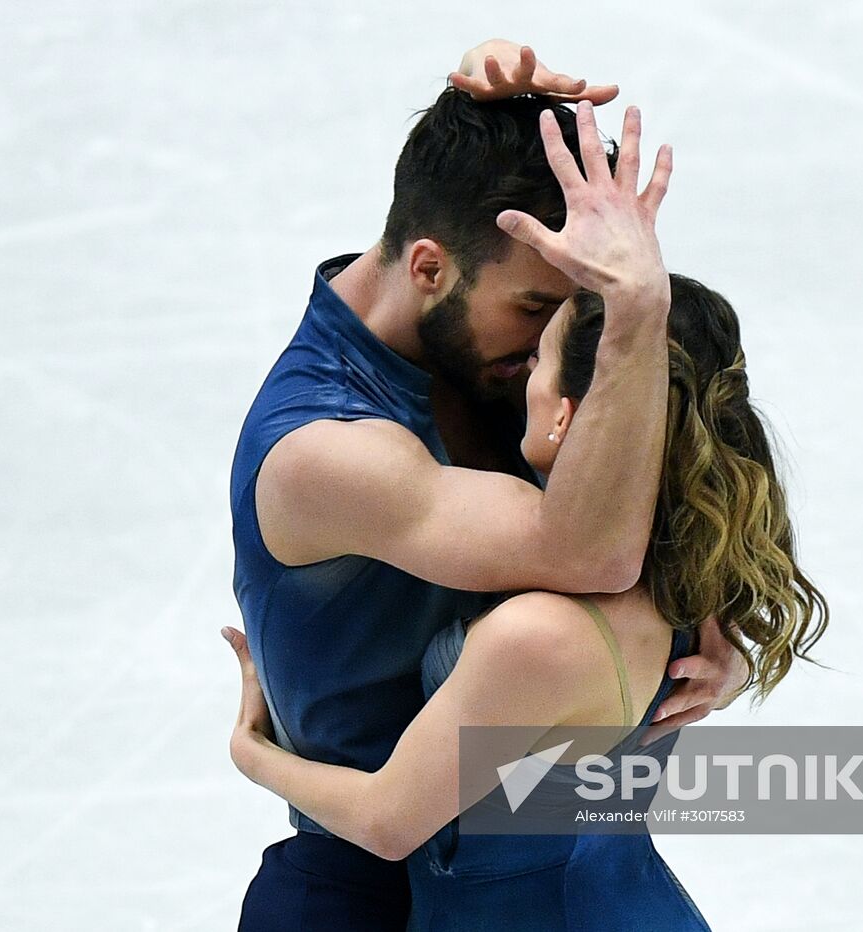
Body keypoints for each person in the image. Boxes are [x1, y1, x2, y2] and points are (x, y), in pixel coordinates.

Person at [227, 40, 746, 931]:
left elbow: (694, 491)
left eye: (584, 305)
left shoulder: (505, 355)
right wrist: (638, 311)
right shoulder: (326, 450)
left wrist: (715, 635)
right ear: (429, 268)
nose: (571, 340)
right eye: (541, 311)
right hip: (362, 899)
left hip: (567, 874)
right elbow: (592, 551)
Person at [224, 270, 830, 930]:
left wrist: (254, 752)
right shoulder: (695, 579)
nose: (520, 375)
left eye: (538, 357)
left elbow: (386, 822)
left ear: (569, 413)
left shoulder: (536, 636)